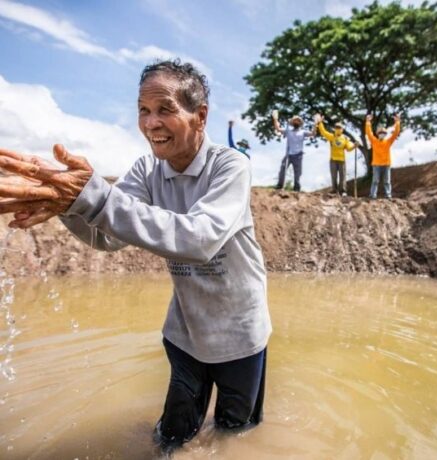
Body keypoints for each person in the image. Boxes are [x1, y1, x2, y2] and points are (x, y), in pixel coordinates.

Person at [0, 59, 272, 451]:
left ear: (200, 116)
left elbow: (200, 239)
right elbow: (106, 235)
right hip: (186, 332)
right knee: (171, 437)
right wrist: (66, 203)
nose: (150, 123)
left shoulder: (230, 166)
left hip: (240, 333)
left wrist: (94, 197)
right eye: (143, 110)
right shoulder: (148, 170)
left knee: (235, 432)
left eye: (164, 109)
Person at [272, 112, 316, 192]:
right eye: (295, 120)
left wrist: (315, 124)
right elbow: (278, 129)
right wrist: (275, 119)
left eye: (298, 121)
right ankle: (280, 185)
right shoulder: (288, 131)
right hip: (288, 155)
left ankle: (296, 188)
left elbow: (313, 133)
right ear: (292, 122)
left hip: (298, 155)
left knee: (298, 173)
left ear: (300, 123)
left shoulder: (303, 132)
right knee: (282, 169)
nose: (296, 122)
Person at [316, 117, 356, 196]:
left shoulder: (345, 138)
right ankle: (334, 190)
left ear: (342, 129)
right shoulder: (332, 136)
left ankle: (343, 191)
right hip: (333, 159)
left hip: (342, 160)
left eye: (339, 128)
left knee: (342, 176)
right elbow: (323, 132)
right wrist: (320, 123)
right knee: (333, 176)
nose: (338, 129)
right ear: (334, 129)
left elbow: (348, 149)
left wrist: (354, 146)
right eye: (336, 127)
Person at [365, 113, 401, 199]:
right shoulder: (374, 141)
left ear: (385, 134)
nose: (382, 133)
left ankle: (388, 195)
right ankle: (373, 195)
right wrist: (368, 122)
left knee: (387, 181)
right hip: (376, 164)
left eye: (383, 133)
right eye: (380, 132)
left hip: (386, 164)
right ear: (377, 134)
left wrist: (397, 122)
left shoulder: (388, 141)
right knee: (375, 181)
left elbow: (396, 133)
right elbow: (368, 133)